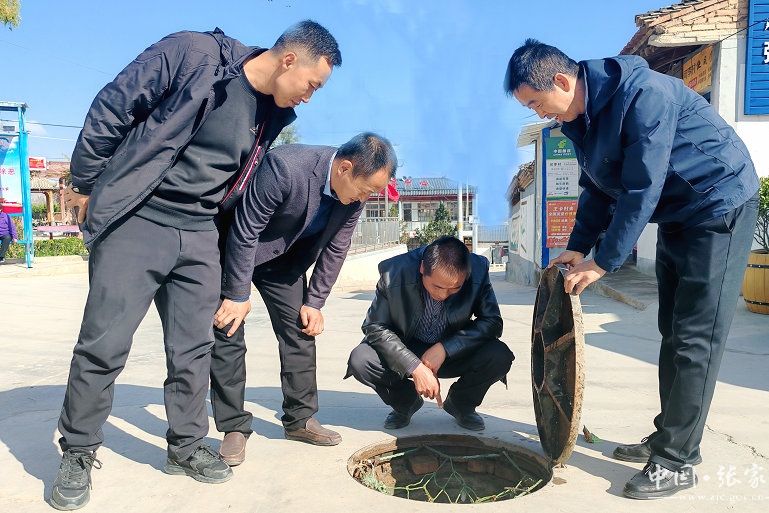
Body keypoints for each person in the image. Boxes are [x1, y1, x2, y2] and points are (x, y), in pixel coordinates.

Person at [51, 21, 341, 511]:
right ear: (289, 59)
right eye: (312, 84)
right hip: (138, 216)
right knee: (105, 344)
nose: (310, 97)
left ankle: (185, 445)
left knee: (194, 348)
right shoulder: (197, 55)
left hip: (202, 230)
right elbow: (114, 104)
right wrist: (84, 183)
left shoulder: (272, 113)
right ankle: (78, 451)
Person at [504, 39, 759, 499]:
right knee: (672, 331)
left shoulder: (644, 96)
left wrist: (603, 261)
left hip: (719, 206)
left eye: (537, 103)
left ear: (561, 81)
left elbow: (642, 186)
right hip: (679, 215)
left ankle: (677, 461)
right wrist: (578, 246)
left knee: (696, 337)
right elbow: (597, 188)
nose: (539, 113)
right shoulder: (580, 119)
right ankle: (671, 436)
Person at [211, 133, 397, 466]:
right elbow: (246, 228)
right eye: (366, 189)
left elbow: (337, 247)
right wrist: (238, 294)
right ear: (344, 168)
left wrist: (315, 302)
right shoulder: (286, 167)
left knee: (301, 331)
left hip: (285, 263)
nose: (365, 197)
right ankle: (233, 427)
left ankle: (300, 419)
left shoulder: (353, 197)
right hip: (236, 253)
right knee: (229, 330)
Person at [346, 236, 514, 432]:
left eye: (455, 288)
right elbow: (374, 326)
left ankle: (461, 404)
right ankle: (406, 403)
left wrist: (446, 348)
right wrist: (413, 365)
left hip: (454, 350)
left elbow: (492, 322)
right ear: (422, 269)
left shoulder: (477, 270)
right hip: (406, 347)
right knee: (361, 359)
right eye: (437, 287)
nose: (443, 295)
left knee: (499, 355)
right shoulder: (394, 272)